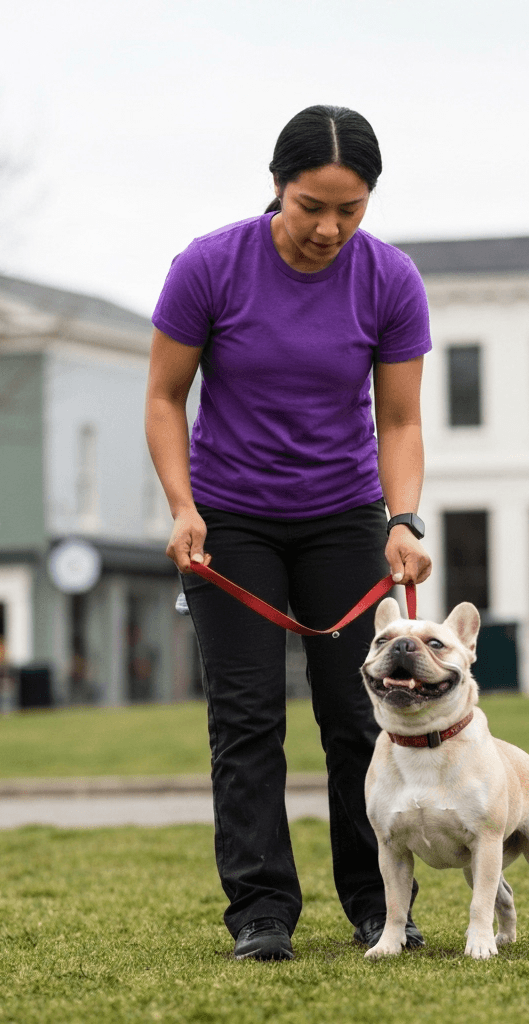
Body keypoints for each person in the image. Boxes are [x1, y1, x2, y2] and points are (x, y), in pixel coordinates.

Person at [144, 105, 433, 961]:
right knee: (247, 720)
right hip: (230, 518)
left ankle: (379, 908)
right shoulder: (209, 268)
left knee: (358, 716)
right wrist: (182, 506)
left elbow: (402, 421)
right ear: (278, 187)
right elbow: (165, 398)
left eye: (350, 208)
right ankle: (262, 914)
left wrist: (404, 517)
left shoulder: (389, 280)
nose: (329, 228)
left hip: (343, 519)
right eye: (312, 205)